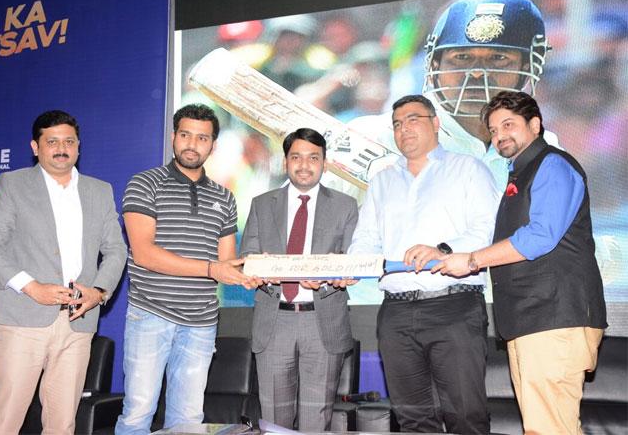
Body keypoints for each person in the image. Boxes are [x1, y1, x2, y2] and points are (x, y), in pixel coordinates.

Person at [433, 91, 607, 434]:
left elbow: (540, 237)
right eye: (494, 131)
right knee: (546, 426)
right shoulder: (522, 173)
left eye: (508, 125)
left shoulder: (553, 165)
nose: (499, 136)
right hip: (535, 319)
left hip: (554, 317)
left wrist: (470, 261)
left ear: (535, 124)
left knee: (549, 427)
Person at [348, 95, 500, 433]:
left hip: (454, 306)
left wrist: (442, 250)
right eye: (397, 124)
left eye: (413, 119)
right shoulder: (382, 181)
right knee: (412, 418)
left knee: (465, 414)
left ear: (435, 123)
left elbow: (487, 229)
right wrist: (348, 268)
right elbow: (365, 240)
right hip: (396, 313)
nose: (404, 129)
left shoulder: (468, 168)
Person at [0, 110, 127, 435]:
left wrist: (98, 292)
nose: (62, 148)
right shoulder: (14, 184)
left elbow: (116, 250)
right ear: (35, 147)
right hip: (21, 319)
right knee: (5, 422)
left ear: (78, 146)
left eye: (69, 141)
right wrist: (31, 286)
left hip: (78, 323)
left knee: (63, 425)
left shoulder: (99, 190)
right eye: (52, 141)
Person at [115, 104, 256, 434]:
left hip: (202, 323)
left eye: (202, 137)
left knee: (188, 420)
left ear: (213, 145)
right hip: (151, 314)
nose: (192, 144)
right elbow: (144, 253)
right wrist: (213, 269)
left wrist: (256, 269)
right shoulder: (144, 183)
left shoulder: (225, 197)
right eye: (186, 135)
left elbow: (226, 263)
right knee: (138, 413)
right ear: (173, 137)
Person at [347, 0, 559, 191]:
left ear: (526, 68)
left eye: (498, 58)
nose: (476, 73)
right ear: (435, 65)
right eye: (461, 57)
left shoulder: (542, 151)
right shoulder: (374, 138)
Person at [239, 128, 358, 431]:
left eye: (313, 158)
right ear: (285, 162)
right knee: (274, 421)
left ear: (325, 163)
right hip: (274, 320)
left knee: (315, 421)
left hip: (323, 321)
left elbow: (353, 260)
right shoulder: (262, 204)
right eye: (296, 157)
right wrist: (260, 271)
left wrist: (335, 276)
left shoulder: (345, 205)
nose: (304, 165)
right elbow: (247, 258)